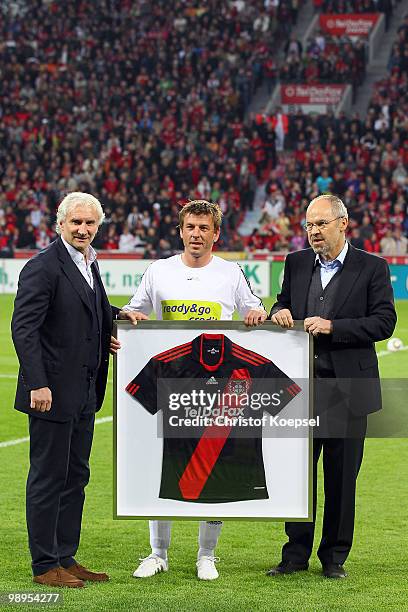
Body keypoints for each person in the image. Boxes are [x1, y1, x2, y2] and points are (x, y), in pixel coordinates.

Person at [117, 199, 267, 581]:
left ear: (216, 234)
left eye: (204, 228)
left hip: (218, 391)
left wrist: (256, 313)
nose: (196, 234)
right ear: (181, 230)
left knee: (214, 466)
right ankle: (157, 553)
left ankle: (206, 555)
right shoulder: (159, 271)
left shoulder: (231, 273)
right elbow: (137, 311)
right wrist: (131, 317)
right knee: (163, 461)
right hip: (174, 386)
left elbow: (255, 309)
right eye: (190, 227)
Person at [267, 194, 396, 579]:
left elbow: (384, 322)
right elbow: (280, 304)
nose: (313, 232)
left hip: (349, 390)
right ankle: (294, 555)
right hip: (301, 389)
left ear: (343, 223)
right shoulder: (296, 262)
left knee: (341, 479)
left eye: (321, 224)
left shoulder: (372, 266)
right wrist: (279, 312)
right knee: (298, 475)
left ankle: (334, 558)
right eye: (308, 225)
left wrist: (334, 327)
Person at [12, 192, 117, 588]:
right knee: (48, 477)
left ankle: (65, 556)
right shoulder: (42, 266)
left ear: (98, 226)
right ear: (60, 224)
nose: (83, 229)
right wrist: (37, 382)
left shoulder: (90, 262)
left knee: (76, 475)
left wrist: (117, 320)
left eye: (90, 223)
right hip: (51, 392)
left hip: (85, 391)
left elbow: (93, 310)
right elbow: (24, 329)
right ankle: (44, 565)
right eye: (76, 222)